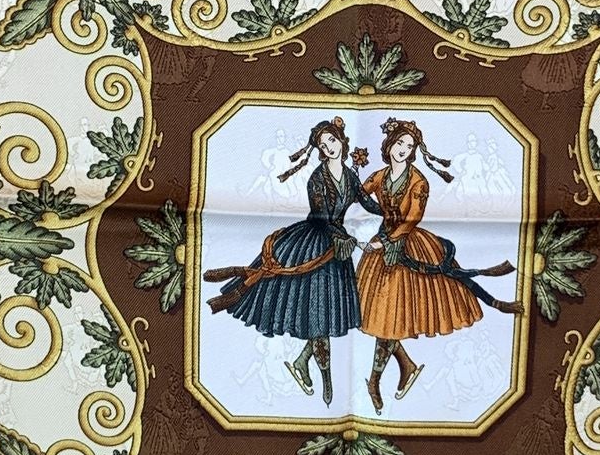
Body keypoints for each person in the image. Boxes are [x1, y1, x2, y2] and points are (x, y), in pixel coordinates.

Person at [355, 117, 519, 412]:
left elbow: (413, 218)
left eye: (409, 146)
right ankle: (406, 366)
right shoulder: (379, 176)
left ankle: (374, 381)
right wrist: (351, 173)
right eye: (400, 143)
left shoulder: (419, 182)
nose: (403, 149)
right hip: (380, 248)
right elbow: (359, 195)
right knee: (384, 318)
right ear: (389, 144)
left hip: (408, 247)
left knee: (389, 318)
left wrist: (385, 242)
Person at [204, 118, 369, 406]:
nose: (329, 148)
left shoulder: (351, 177)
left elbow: (367, 203)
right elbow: (321, 217)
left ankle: (303, 362)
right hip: (313, 246)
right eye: (323, 145)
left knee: (324, 317)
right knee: (319, 317)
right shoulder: (317, 178)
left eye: (331, 141)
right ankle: (326, 380)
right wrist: (348, 239)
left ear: (342, 140)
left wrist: (394, 212)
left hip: (338, 252)